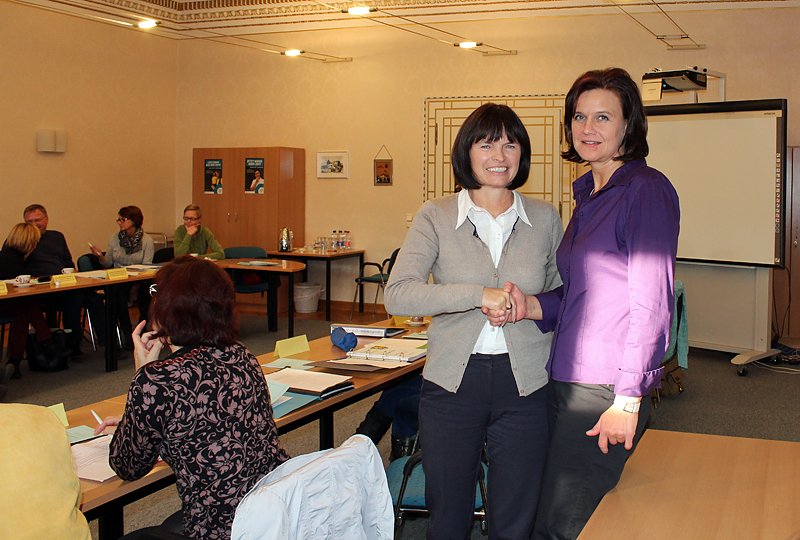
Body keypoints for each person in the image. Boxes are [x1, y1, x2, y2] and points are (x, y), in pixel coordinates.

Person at [502, 68, 680, 540]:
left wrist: (628, 398)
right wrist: (530, 306)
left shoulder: (645, 190)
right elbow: (581, 293)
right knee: (553, 511)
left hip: (606, 388)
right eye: (579, 116)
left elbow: (652, 303)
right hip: (565, 377)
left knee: (565, 523)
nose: (587, 128)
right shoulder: (589, 195)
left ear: (628, 124)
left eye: (603, 117)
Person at [384, 103, 563, 539]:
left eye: (510, 144)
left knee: (516, 515)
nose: (499, 155)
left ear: (522, 154)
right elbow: (399, 293)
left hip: (526, 384)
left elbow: (565, 296)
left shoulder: (545, 218)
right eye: (486, 144)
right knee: (448, 514)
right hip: (452, 383)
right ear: (467, 151)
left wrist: (529, 304)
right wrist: (476, 295)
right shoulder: (436, 215)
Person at [94, 256, 288, 539]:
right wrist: (138, 409)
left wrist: (142, 376)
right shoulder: (241, 354)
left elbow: (128, 465)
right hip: (270, 514)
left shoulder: (157, 380)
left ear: (167, 309)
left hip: (219, 528)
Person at [0, 223, 69, 384]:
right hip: (4, 303)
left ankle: (16, 362)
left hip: (12, 303)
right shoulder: (11, 261)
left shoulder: (12, 255)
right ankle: (46, 342)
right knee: (27, 305)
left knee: (24, 309)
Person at [22, 204, 84, 356]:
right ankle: (51, 344)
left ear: (46, 219)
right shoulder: (21, 239)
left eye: (37, 220)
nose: (34, 224)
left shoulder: (56, 237)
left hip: (62, 284)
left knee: (84, 297)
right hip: (36, 289)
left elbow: (68, 262)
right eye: (29, 222)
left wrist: (71, 274)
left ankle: (74, 343)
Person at [91, 206, 154, 346]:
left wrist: (135, 286)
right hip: (120, 278)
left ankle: (142, 328)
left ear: (134, 220)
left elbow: (147, 266)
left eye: (123, 219)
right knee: (117, 294)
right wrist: (100, 256)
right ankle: (126, 331)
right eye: (118, 219)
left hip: (139, 279)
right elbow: (108, 263)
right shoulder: (115, 238)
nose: (119, 222)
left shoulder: (147, 240)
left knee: (146, 292)